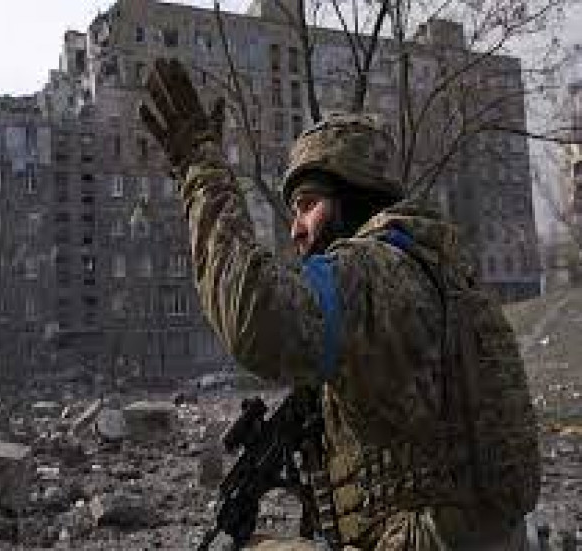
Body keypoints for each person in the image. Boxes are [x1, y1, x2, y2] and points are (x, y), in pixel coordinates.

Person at [139, 58, 540, 550]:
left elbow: (254, 320)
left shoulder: (374, 272)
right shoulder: (439, 273)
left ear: (355, 199)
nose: (295, 229)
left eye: (308, 205)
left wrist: (200, 169)